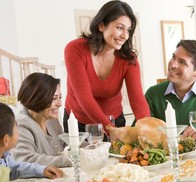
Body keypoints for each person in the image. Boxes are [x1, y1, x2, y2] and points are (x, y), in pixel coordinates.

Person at [63, 0, 150, 133]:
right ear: (101, 25)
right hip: (78, 123)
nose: (125, 35)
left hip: (115, 120)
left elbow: (137, 100)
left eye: (128, 30)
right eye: (120, 28)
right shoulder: (75, 49)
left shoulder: (128, 59)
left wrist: (148, 129)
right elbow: (84, 98)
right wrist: (111, 130)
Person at [0, 102, 63, 182]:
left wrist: (42, 170)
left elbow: (15, 168)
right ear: (6, 140)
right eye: (16, 127)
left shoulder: (1, 156)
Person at [10, 73, 72, 168]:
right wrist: (70, 159)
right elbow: (25, 159)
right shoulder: (21, 124)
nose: (59, 104)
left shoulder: (50, 119)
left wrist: (94, 148)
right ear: (37, 98)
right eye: (54, 98)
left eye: (60, 97)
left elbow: (65, 143)